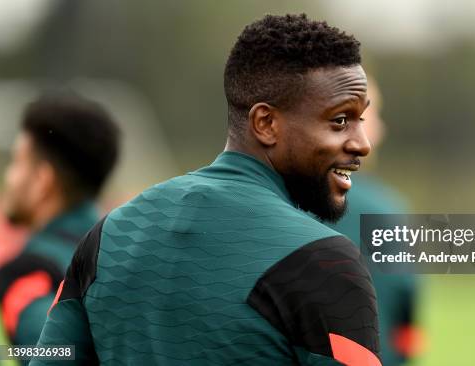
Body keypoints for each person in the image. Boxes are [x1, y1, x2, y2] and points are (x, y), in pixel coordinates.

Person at [33, 14, 381, 365]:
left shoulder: (108, 235)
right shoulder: (323, 261)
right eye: (340, 121)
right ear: (266, 124)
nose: (362, 143)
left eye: (361, 119)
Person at [0, 93, 120, 348]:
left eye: (17, 162)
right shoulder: (124, 248)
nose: (8, 177)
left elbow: (62, 354)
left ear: (43, 181)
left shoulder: (32, 274)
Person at [328, 79, 422, 365]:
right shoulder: (385, 210)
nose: (381, 130)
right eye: (373, 117)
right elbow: (407, 319)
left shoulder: (274, 200)